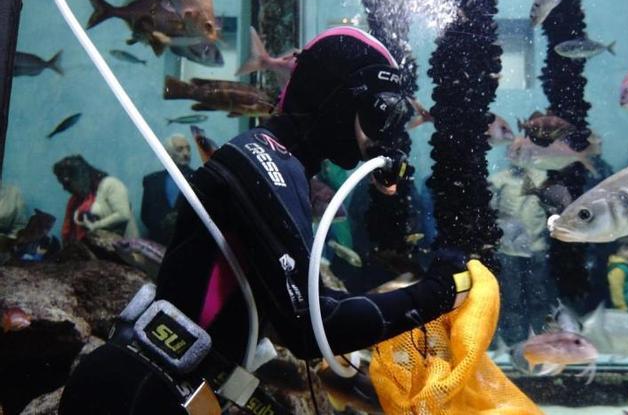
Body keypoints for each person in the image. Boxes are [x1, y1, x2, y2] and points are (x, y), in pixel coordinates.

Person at [59, 26, 473, 414]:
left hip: (160, 389)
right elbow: (314, 328)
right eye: (377, 114)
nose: (379, 137)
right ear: (339, 98)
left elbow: (307, 305)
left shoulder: (280, 166)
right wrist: (437, 293)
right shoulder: (264, 163)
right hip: (136, 395)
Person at [53, 155, 138, 244]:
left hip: (126, 249)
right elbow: (67, 233)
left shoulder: (110, 184)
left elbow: (124, 215)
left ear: (80, 175)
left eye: (67, 183)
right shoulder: (74, 201)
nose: (64, 188)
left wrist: (96, 226)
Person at [141, 134, 195, 245]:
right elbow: (145, 215)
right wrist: (163, 223)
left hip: (188, 244)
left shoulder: (199, 178)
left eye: (188, 149)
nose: (186, 154)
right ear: (168, 154)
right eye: (180, 149)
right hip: (158, 245)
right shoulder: (151, 181)